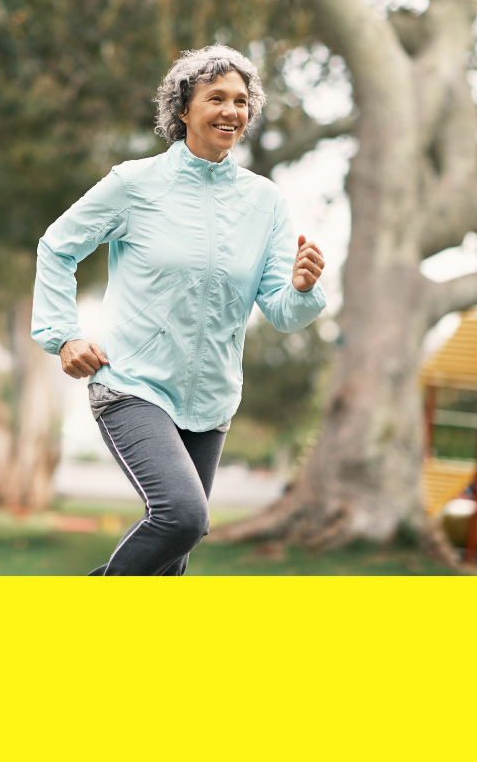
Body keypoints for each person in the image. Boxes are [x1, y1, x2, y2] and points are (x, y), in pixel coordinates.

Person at [32, 45, 326, 575]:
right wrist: (64, 335)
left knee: (168, 568)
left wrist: (302, 289)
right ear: (184, 109)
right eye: (216, 97)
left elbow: (282, 312)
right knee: (183, 517)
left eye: (241, 100)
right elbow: (57, 246)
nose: (231, 111)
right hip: (133, 385)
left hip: (211, 401)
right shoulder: (135, 184)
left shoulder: (266, 203)